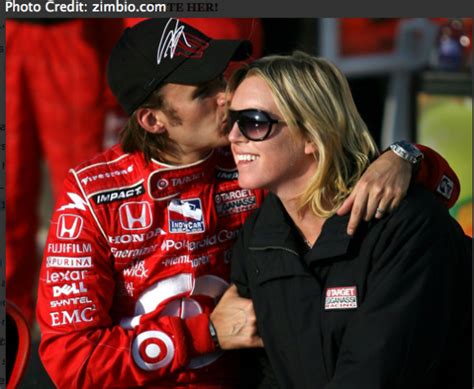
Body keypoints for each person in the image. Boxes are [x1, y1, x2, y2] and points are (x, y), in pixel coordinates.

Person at [36, 19, 460, 388]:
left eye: (222, 79)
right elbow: (69, 361)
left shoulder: (254, 157)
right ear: (154, 120)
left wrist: (407, 157)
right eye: (205, 92)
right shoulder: (91, 196)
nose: (227, 98)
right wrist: (206, 333)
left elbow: (433, 193)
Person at [223, 52, 471, 388]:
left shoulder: (406, 226)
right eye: (231, 120)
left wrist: (405, 156)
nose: (234, 137)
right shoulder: (258, 236)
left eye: (254, 121)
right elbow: (266, 373)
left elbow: (377, 373)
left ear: (312, 134)